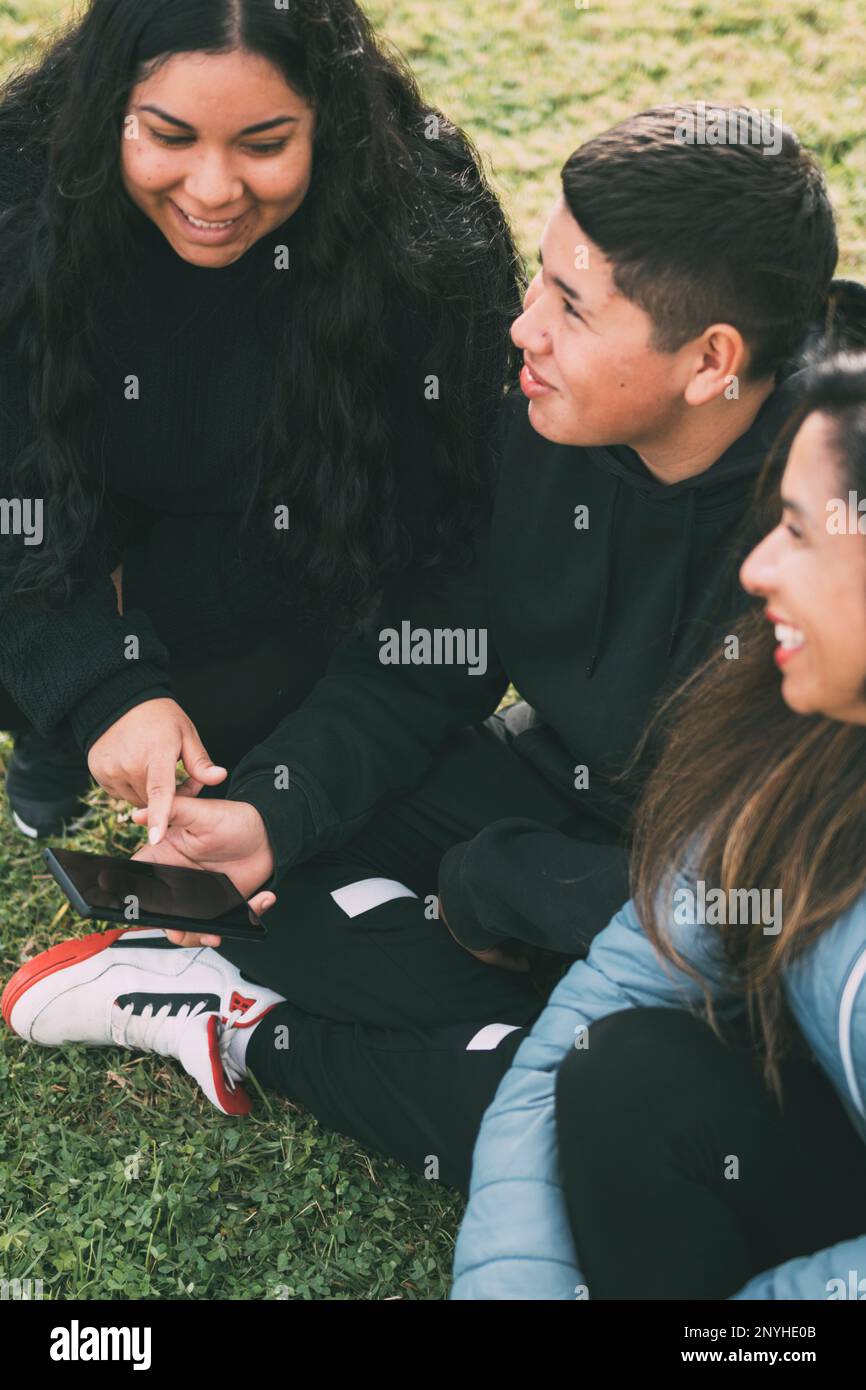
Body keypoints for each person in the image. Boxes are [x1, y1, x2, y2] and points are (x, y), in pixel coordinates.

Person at [4, 106, 862, 1195]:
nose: (520, 329)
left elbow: (792, 905)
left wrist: (509, 884)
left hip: (731, 899)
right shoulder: (544, 414)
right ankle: (400, 997)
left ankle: (259, 1039)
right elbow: (429, 653)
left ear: (710, 362)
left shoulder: (832, 512)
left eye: (567, 304)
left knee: (629, 1116)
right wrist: (274, 809)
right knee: (274, 901)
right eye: (537, 281)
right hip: (554, 789)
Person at [0, 0, 522, 837]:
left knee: (252, 733)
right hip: (77, 523)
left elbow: (451, 551)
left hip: (283, 560)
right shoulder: (19, 194)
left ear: (332, 123)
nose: (212, 190)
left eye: (265, 144)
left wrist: (291, 793)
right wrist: (97, 688)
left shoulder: (425, 239)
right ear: (107, 110)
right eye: (168, 137)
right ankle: (52, 728)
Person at [451, 351, 866, 1300]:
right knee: (627, 1073)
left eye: (798, 533)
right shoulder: (794, 739)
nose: (757, 568)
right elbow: (602, 1005)